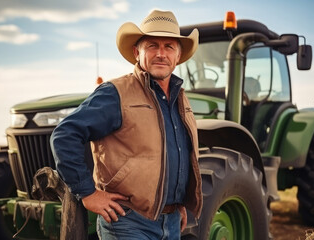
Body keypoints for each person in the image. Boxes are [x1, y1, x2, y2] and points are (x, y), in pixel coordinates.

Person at [50, 9, 202, 239]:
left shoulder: (180, 99)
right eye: (152, 46)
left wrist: (177, 201)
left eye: (169, 46)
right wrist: (88, 193)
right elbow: (64, 135)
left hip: (170, 222)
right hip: (127, 222)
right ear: (137, 52)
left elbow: (179, 154)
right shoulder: (115, 93)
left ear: (178, 56)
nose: (161, 53)